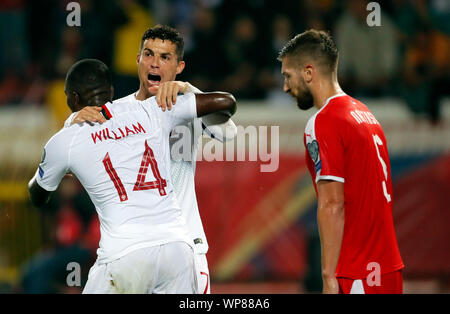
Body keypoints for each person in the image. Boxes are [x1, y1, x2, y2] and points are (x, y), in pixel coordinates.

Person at [28, 58, 237, 293]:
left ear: (73, 99)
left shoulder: (66, 140)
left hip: (124, 255)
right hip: (177, 249)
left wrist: (65, 142)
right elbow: (225, 101)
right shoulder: (151, 109)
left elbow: (37, 195)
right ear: (112, 91)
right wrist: (184, 87)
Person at [278, 30, 404, 294]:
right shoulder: (365, 114)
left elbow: (332, 203)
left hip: (356, 271)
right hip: (388, 268)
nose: (285, 87)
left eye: (288, 76)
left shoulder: (324, 122)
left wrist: (328, 277)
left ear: (309, 72)